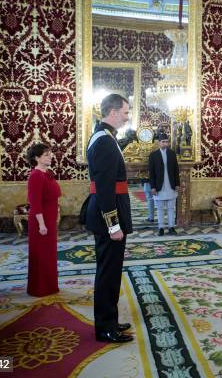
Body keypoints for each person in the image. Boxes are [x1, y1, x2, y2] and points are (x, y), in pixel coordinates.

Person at [86, 93, 133, 343]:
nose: (128, 117)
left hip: (109, 212)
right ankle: (105, 327)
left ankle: (110, 320)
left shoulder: (106, 137)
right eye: (126, 112)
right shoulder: (104, 140)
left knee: (111, 271)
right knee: (108, 273)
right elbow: (105, 188)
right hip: (108, 217)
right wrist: (113, 224)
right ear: (113, 112)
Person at [26, 143, 61, 297]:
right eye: (46, 154)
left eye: (50, 153)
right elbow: (35, 203)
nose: (50, 156)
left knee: (49, 254)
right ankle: (40, 288)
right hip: (41, 222)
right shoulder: (35, 176)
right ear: (36, 158)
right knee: (41, 254)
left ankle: (50, 286)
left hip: (50, 219)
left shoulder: (48, 173)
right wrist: (41, 224)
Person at [148, 134, 180, 236]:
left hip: (171, 185)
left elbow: (176, 170)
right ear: (159, 142)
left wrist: (177, 184)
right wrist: (152, 187)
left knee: (171, 208)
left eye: (167, 142)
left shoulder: (172, 154)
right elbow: (151, 173)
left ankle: (171, 227)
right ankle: (161, 228)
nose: (165, 144)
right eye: (163, 142)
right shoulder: (153, 155)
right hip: (158, 186)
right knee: (160, 208)